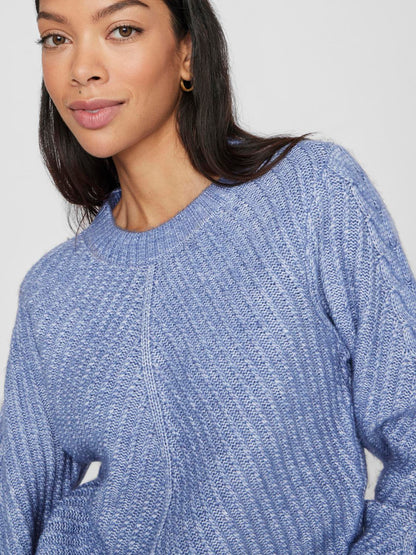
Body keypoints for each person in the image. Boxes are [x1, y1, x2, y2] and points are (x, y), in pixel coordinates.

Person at [1, 0, 415, 552]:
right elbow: (13, 515)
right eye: (56, 38)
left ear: (188, 53)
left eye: (122, 29)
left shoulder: (313, 196)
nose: (82, 69)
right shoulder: (52, 291)